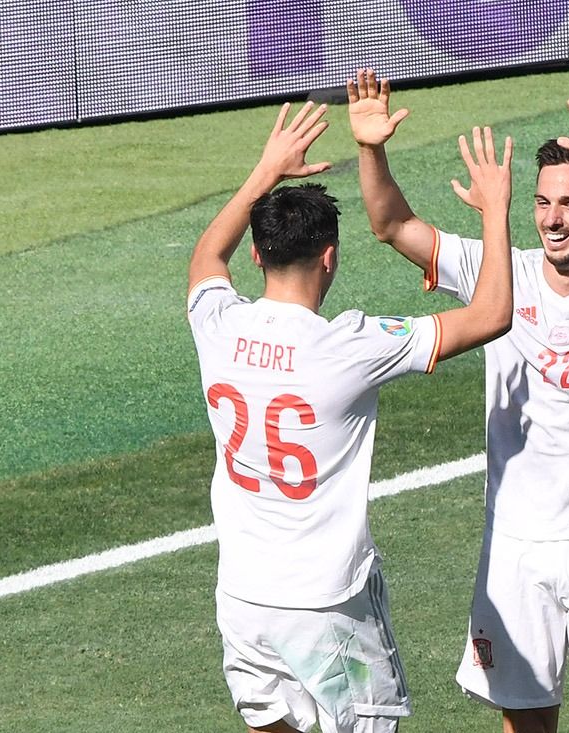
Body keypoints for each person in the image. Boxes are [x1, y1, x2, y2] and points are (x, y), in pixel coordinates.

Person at [347, 69, 569, 733]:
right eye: (542, 202)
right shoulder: (499, 274)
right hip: (517, 543)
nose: (551, 217)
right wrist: (371, 148)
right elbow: (391, 224)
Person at [186, 99, 515, 733]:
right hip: (329, 605)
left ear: (258, 256)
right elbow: (493, 314)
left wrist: (266, 170)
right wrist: (496, 211)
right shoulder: (350, 344)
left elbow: (206, 258)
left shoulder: (217, 325)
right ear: (330, 258)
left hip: (244, 597)